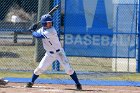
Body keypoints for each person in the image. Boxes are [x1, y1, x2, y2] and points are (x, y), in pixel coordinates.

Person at [26, 14, 82, 90]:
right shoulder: (42, 29)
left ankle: (78, 84)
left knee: (68, 70)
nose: (50, 24)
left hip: (59, 53)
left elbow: (38, 36)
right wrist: (34, 30)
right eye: (47, 23)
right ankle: (31, 82)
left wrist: (32, 31)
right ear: (43, 23)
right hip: (49, 54)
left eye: (50, 22)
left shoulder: (52, 30)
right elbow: (37, 33)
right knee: (39, 69)